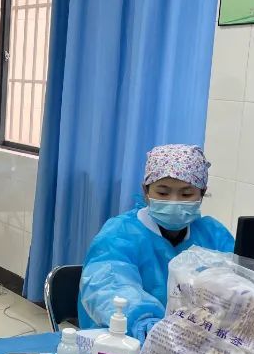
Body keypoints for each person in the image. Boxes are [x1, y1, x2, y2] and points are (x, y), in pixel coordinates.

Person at [79, 144, 235, 342]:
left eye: (186, 194)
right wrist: (143, 322)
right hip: (128, 341)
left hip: (198, 343)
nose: (174, 201)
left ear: (202, 194)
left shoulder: (213, 235)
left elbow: (238, 283)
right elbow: (108, 284)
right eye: (163, 193)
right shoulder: (120, 234)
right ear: (146, 191)